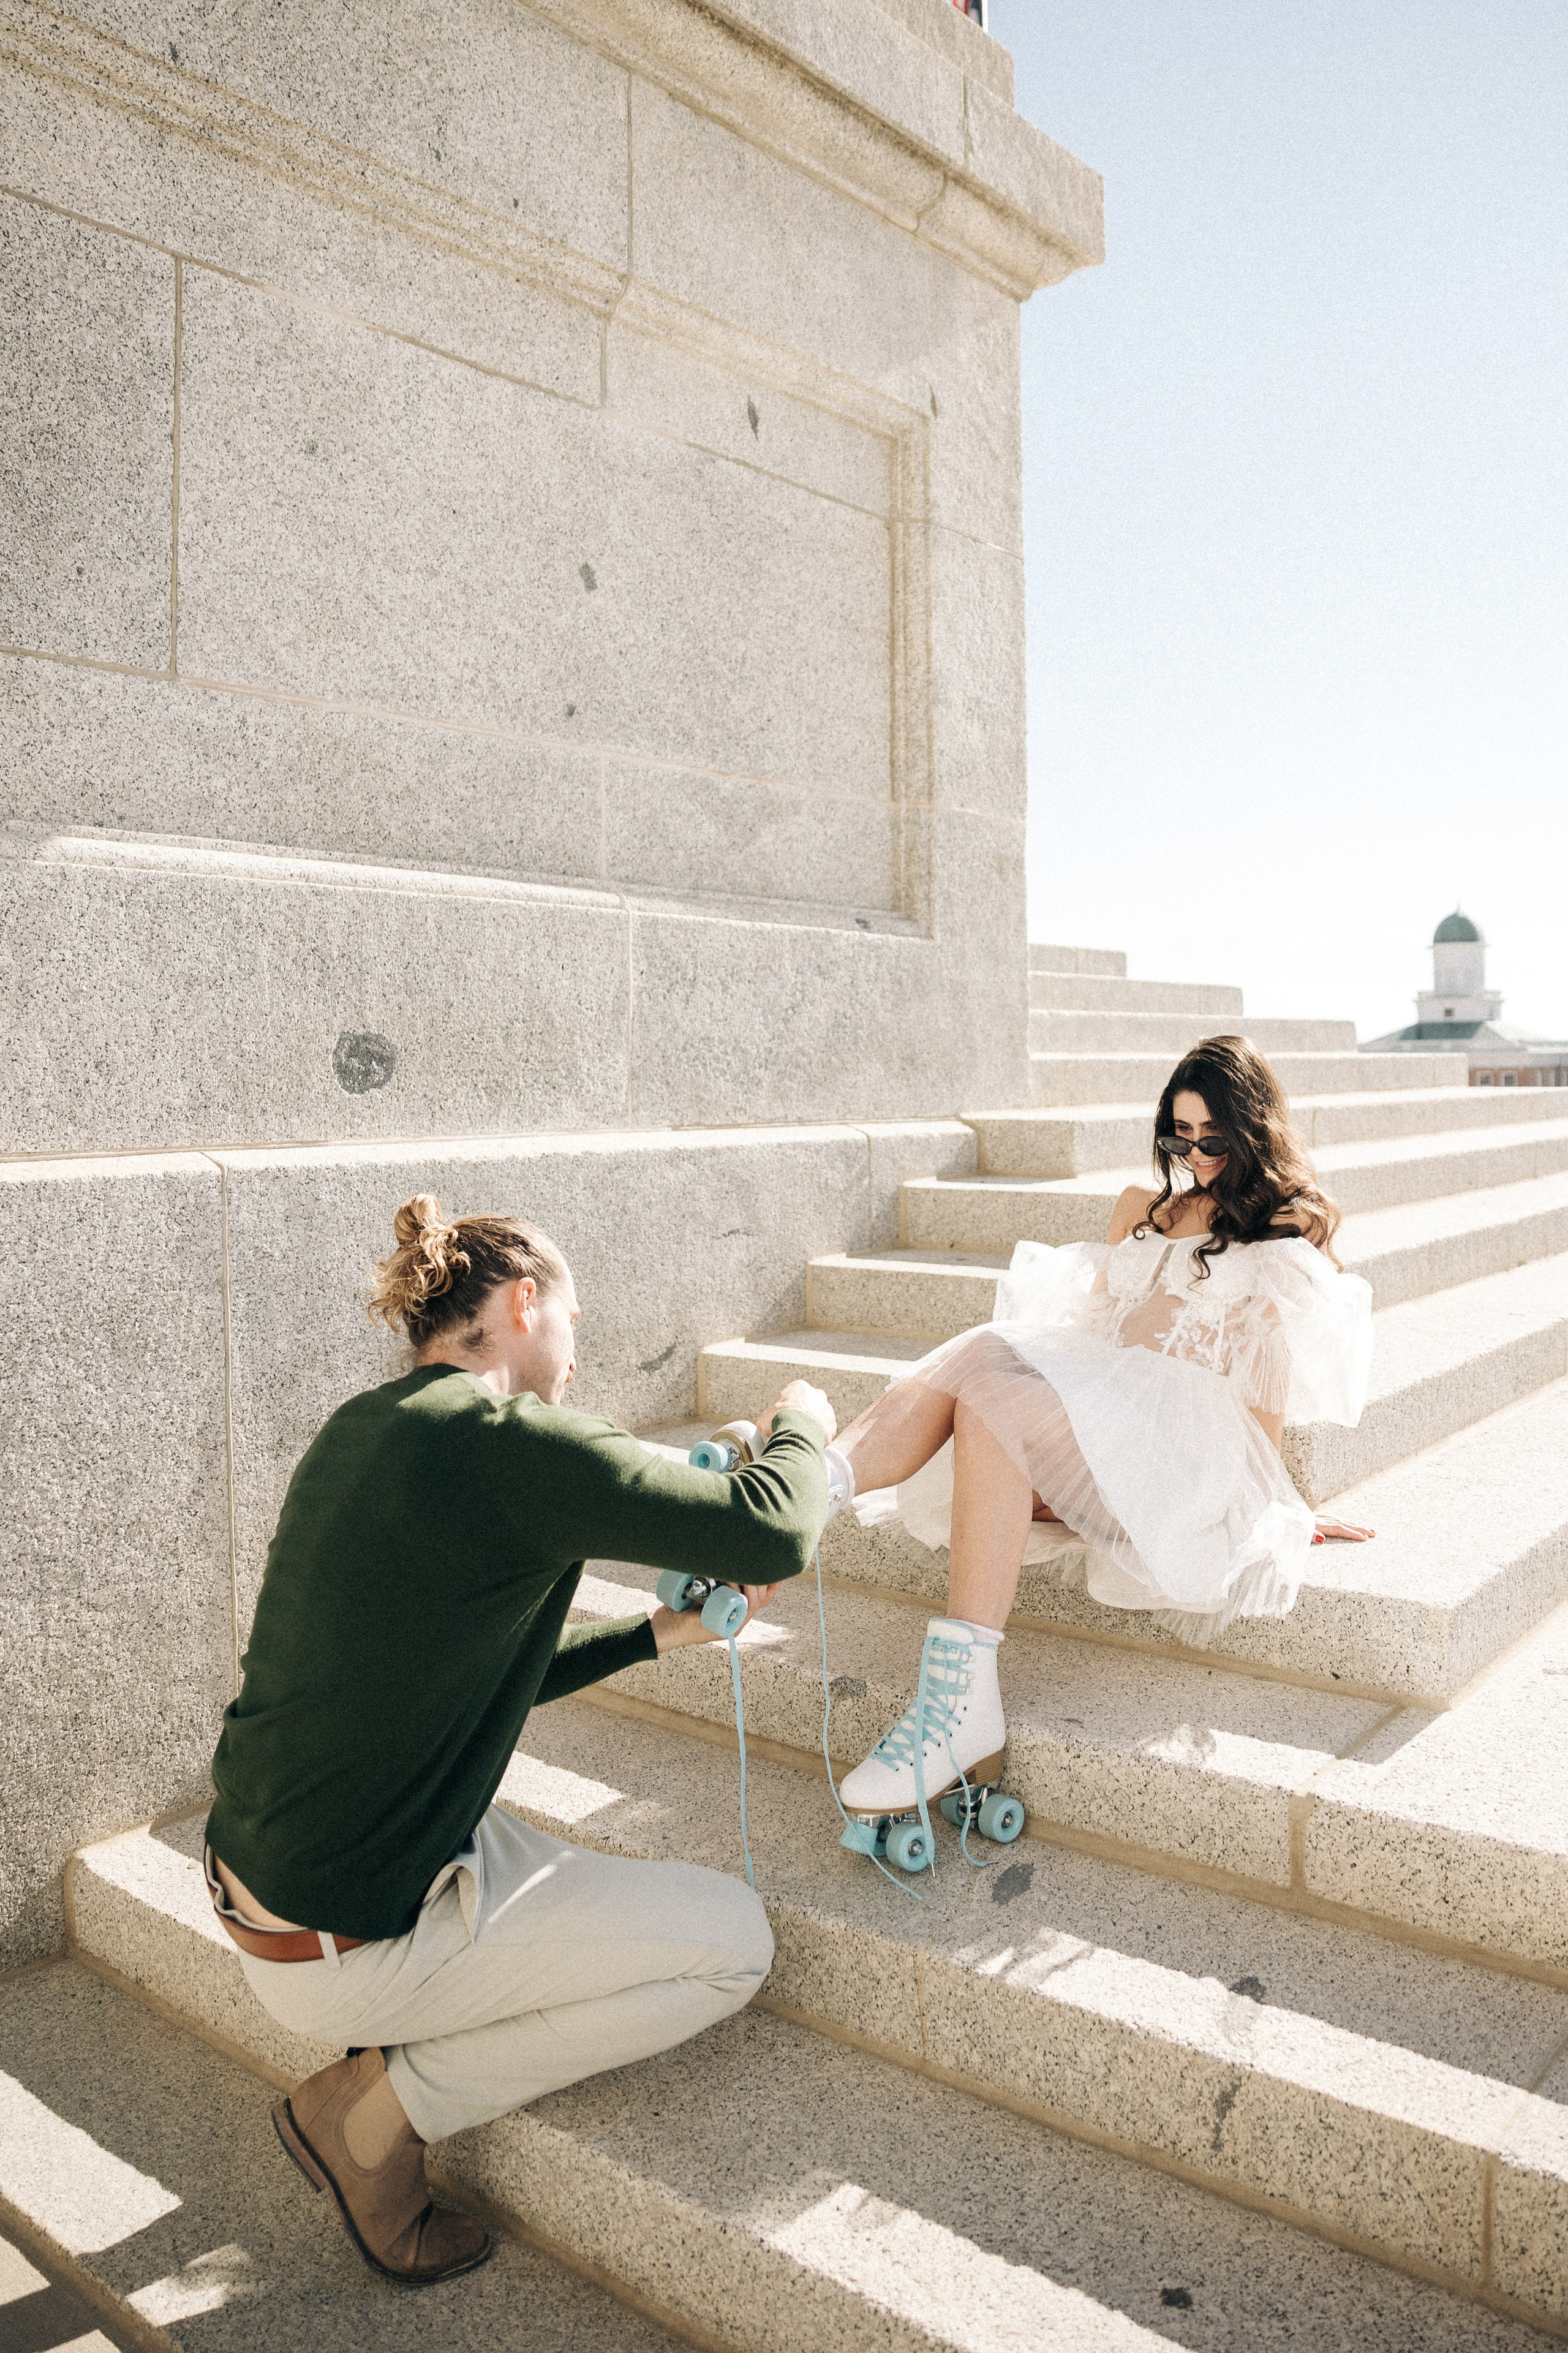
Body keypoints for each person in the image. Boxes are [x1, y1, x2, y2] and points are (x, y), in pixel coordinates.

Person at [203, 1195, 842, 2286]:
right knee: (733, 1942)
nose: (578, 1358)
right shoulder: (509, 1441)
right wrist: (804, 1425)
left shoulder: (363, 1429)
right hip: (344, 1941)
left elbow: (466, 1672)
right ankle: (369, 2119)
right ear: (526, 1303)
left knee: (595, 1896)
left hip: (268, 1879)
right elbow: (773, 1527)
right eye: (575, 1324)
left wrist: (655, 1634)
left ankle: (400, 2039)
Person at [832, 1035, 1376, 1818]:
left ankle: (947, 1692)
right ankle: (823, 1489)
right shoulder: (1139, 1210)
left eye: (1214, 1139)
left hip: (1179, 1464)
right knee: (988, 1365)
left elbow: (1265, 1391)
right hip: (1099, 1434)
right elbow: (1084, 1343)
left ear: (1252, 1130)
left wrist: (1275, 1502)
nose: (1197, 1157)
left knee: (991, 1390)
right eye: (1180, 1137)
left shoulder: (1280, 1233)